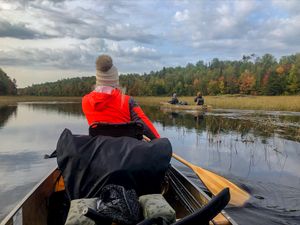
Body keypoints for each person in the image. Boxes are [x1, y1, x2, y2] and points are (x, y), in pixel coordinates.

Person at [82, 54, 160, 140]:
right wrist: (159, 141)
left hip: (101, 151)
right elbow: (146, 127)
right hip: (127, 151)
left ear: (98, 79)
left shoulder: (85, 101)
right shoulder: (127, 101)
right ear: (115, 80)